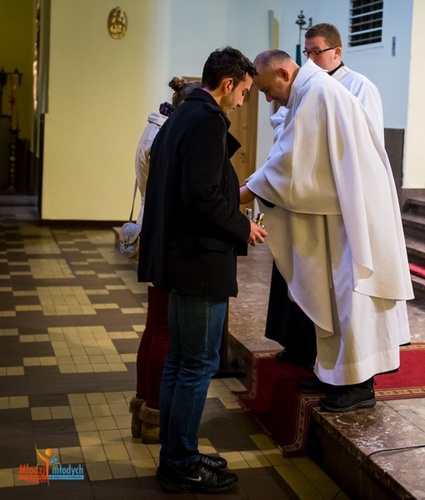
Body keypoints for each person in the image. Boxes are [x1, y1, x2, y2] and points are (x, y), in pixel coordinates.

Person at [241, 50, 413, 413]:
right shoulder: (311, 92)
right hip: (338, 211)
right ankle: (334, 373)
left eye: (269, 89)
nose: (269, 99)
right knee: (335, 298)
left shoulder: (318, 93)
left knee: (353, 299)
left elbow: (291, 164)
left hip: (353, 217)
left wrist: (241, 192)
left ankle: (360, 385)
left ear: (285, 74)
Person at [138, 47, 266, 494]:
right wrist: (242, 226)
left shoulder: (180, 116)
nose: (243, 101)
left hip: (179, 257)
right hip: (198, 259)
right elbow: (202, 196)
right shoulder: (207, 120)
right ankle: (180, 462)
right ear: (227, 84)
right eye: (245, 91)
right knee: (197, 363)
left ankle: (178, 454)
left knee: (181, 360)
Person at [264, 23, 395, 371]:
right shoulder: (307, 88)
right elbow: (284, 124)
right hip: (310, 196)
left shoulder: (357, 86)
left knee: (342, 288)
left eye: (316, 52)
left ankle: (346, 367)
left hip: (342, 198)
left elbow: (363, 141)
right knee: (300, 275)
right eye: (305, 53)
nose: (310, 58)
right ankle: (299, 346)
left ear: (337, 52)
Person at [129, 77, 200, 446]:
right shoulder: (164, 137)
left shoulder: (154, 129)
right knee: (163, 332)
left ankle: (144, 401)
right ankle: (155, 412)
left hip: (155, 231)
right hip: (165, 236)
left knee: (154, 327)